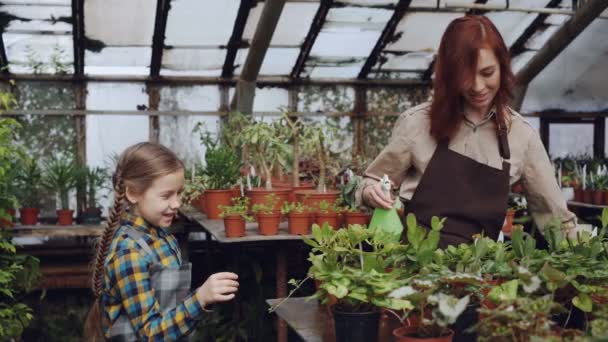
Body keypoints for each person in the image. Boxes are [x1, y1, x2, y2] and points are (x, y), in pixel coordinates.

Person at [357, 15, 578, 248]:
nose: (477, 87)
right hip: (412, 268)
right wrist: (370, 191)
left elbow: (556, 219)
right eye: (465, 76)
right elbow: (371, 181)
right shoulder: (417, 124)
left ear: (502, 66)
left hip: (478, 275)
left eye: (487, 72)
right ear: (450, 75)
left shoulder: (521, 136)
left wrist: (584, 260)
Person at [84, 142, 239, 341]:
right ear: (132, 193)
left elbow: (169, 307)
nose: (176, 204)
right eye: (166, 195)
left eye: (179, 193)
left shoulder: (163, 237)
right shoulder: (129, 254)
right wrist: (200, 298)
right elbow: (150, 334)